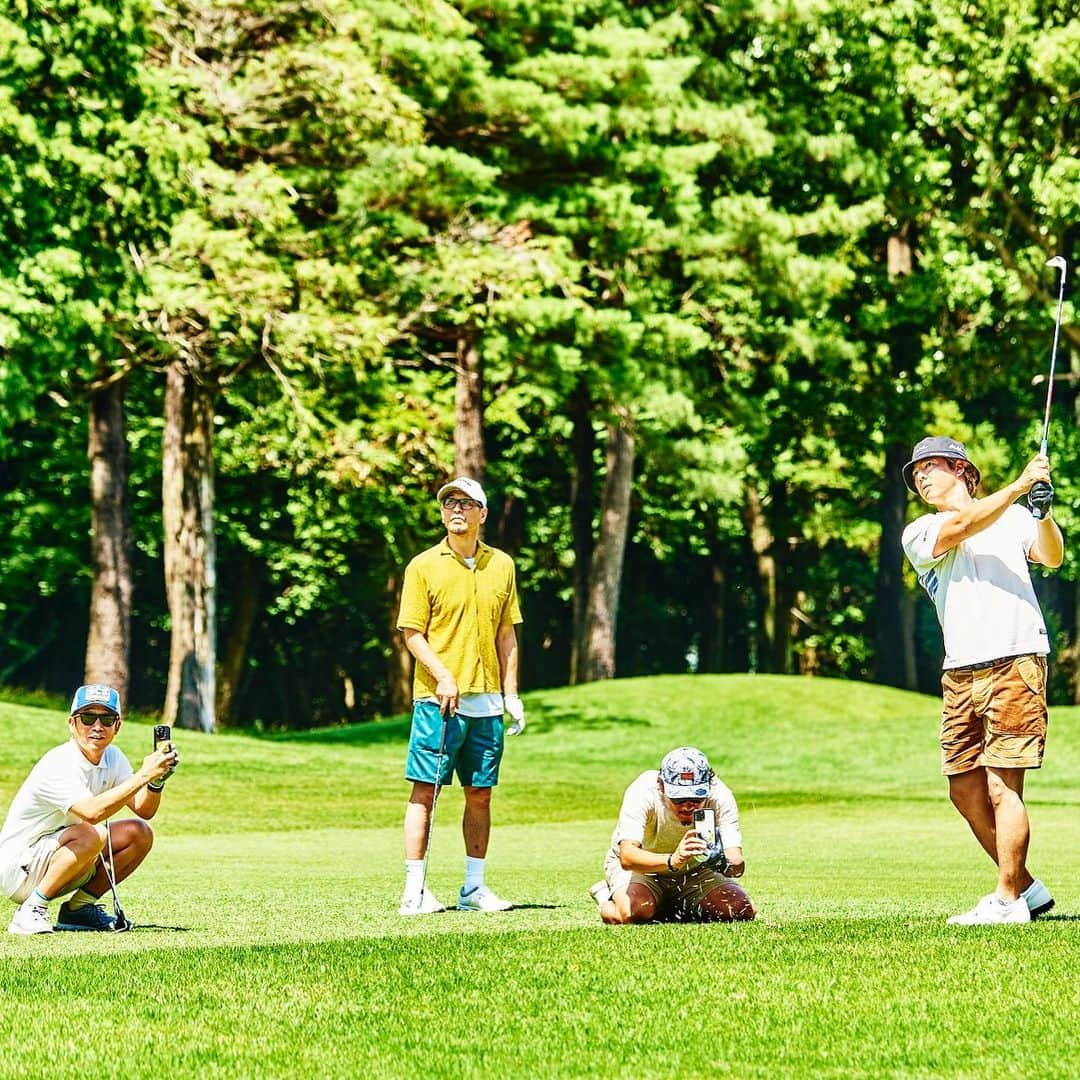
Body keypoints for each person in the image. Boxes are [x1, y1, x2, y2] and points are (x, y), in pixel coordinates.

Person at [900, 436, 1064, 925]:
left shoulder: (1014, 518)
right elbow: (964, 525)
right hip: (960, 669)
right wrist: (1019, 485)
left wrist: (1042, 512)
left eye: (930, 467)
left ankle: (1008, 898)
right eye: (916, 473)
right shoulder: (922, 530)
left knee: (1002, 785)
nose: (921, 478)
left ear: (962, 470)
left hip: (1016, 658)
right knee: (963, 788)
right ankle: (1026, 888)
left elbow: (1051, 556)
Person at [396, 476, 525, 916]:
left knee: (480, 793)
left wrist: (512, 695)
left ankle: (473, 888)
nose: (456, 509)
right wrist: (443, 676)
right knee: (425, 792)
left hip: (487, 702)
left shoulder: (502, 565)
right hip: (438, 701)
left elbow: (506, 633)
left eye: (466, 503)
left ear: (482, 514)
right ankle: (414, 890)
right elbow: (413, 634)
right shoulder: (423, 566)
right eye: (449, 502)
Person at [0, 684, 179, 934]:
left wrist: (156, 781)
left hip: (60, 855)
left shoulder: (113, 757)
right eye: (87, 717)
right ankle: (31, 910)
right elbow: (92, 813)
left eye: (106, 718)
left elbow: (144, 809)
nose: (97, 726)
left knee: (139, 833)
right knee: (92, 832)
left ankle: (79, 910)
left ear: (117, 726)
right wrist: (143, 774)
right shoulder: (59, 762)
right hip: (18, 870)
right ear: (72, 724)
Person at [590, 746, 755, 924]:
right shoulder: (643, 791)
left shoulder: (720, 796)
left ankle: (667, 904)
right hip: (642, 869)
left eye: (696, 799)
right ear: (661, 786)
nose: (687, 806)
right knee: (634, 913)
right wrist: (672, 860)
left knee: (740, 910)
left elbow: (736, 864)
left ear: (709, 785)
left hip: (695, 870)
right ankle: (604, 894)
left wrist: (723, 862)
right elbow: (627, 857)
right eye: (678, 799)